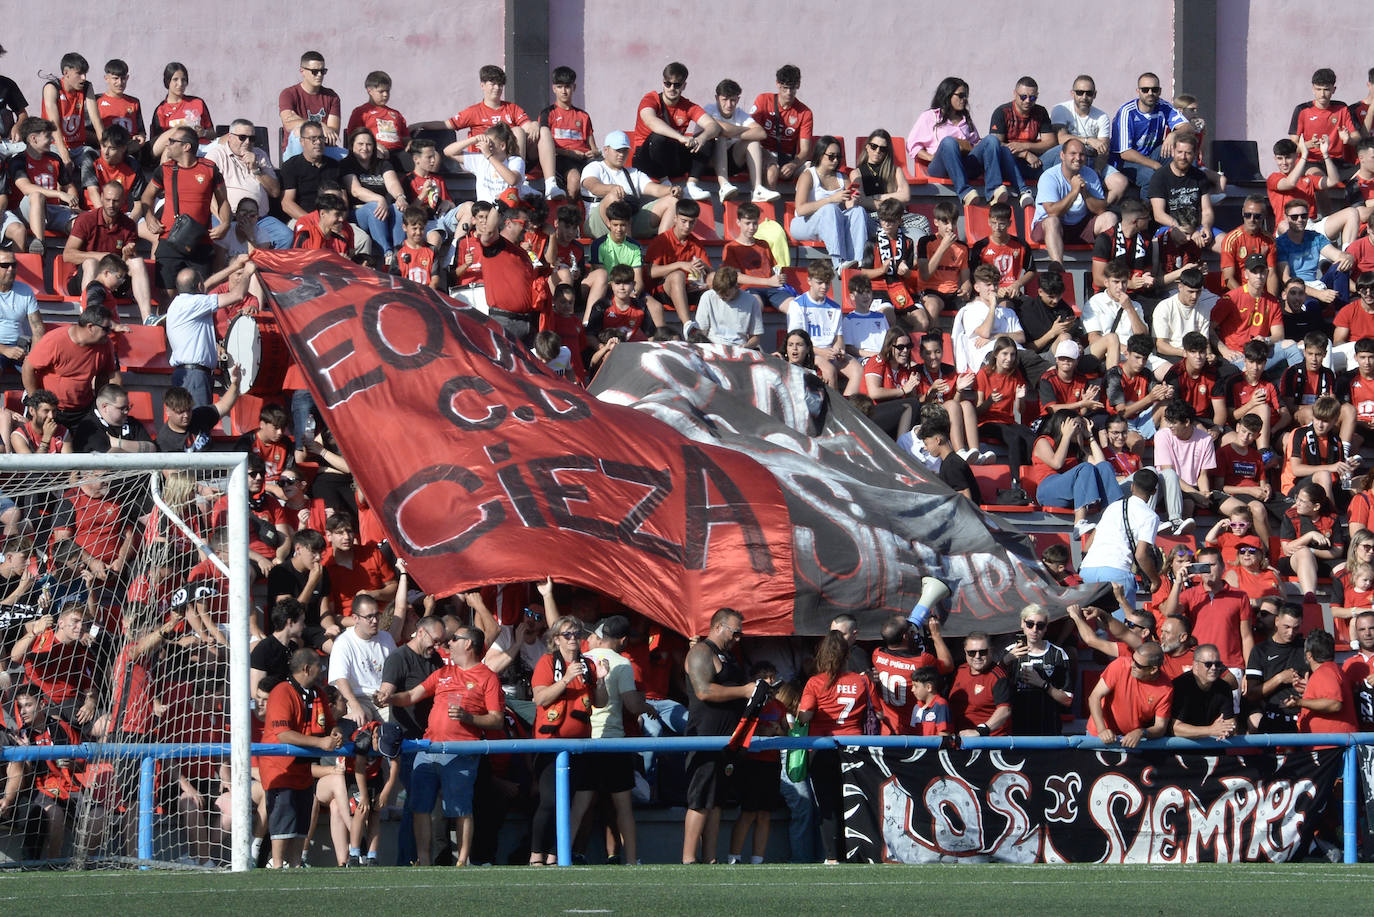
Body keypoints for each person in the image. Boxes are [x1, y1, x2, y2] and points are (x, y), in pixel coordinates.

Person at [379, 625, 501, 867]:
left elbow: (497, 719)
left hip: (461, 751)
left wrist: (469, 718)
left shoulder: (488, 677)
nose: (448, 643)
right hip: (429, 748)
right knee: (419, 806)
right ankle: (424, 861)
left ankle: (462, 861)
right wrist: (389, 698)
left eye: (454, 638)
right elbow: (412, 695)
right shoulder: (444, 672)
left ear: (468, 644)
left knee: (460, 808)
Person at [682, 608, 757, 865]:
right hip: (704, 735)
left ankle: (710, 858)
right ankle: (689, 858)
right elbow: (703, 691)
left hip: (726, 739)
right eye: (735, 633)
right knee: (700, 798)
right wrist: (744, 691)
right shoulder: (701, 652)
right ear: (718, 627)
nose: (738, 638)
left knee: (715, 801)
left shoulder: (728, 656)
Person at [529, 618, 607, 865]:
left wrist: (603, 679)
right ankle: (535, 855)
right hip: (551, 744)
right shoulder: (547, 662)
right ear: (556, 639)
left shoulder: (588, 665)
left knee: (575, 803)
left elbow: (601, 702)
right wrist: (565, 679)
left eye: (576, 634)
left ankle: (555, 855)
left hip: (579, 745)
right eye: (567, 635)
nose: (573, 638)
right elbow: (540, 699)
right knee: (550, 801)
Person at [259, 649, 342, 868]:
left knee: (302, 822)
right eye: (319, 666)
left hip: (303, 769)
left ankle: (295, 865)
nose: (322, 671)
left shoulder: (318, 693)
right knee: (283, 819)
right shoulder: (282, 692)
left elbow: (329, 723)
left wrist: (335, 732)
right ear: (306, 669)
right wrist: (320, 743)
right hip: (280, 769)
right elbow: (283, 734)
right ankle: (277, 864)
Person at [797, 631, 873, 865]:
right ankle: (859, 853)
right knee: (853, 801)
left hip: (822, 749)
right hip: (855, 748)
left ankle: (832, 856)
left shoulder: (815, 682)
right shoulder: (861, 681)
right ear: (847, 654)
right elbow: (877, 712)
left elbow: (805, 716)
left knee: (828, 805)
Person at [139, 127, 230, 294]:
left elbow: (223, 201)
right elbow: (146, 197)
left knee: (199, 294)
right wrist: (149, 216)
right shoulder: (164, 169)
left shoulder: (210, 169)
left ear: (186, 146)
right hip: (168, 239)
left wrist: (225, 224)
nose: (168, 144)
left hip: (199, 242)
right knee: (167, 294)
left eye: (173, 141)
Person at [907, 76, 1022, 206]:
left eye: (966, 96)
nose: (964, 99)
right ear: (948, 95)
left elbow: (975, 144)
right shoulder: (931, 117)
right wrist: (930, 157)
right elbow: (912, 145)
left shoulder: (965, 120)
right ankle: (965, 192)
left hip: (964, 165)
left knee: (990, 140)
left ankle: (994, 190)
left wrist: (978, 146)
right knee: (949, 142)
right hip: (941, 166)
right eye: (961, 95)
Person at [166, 256, 256, 406]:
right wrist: (247, 273)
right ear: (199, 286)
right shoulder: (195, 303)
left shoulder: (179, 303)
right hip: (195, 376)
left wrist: (234, 267)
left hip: (187, 373)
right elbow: (237, 296)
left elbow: (208, 284)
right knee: (200, 423)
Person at [629, 61, 721, 200]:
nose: (672, 88)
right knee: (658, 137)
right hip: (647, 158)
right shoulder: (651, 99)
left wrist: (702, 138)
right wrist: (680, 137)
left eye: (677, 85)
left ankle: (691, 186)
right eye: (668, 84)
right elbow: (651, 121)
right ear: (663, 83)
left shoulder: (688, 106)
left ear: (684, 86)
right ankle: (665, 183)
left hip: (671, 158)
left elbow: (713, 126)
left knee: (708, 139)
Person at [21, 304, 118, 429]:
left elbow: (104, 375)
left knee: (93, 446)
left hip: (83, 409)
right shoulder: (55, 340)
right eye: (106, 329)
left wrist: (100, 401)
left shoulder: (105, 344)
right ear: (91, 327)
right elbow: (28, 367)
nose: (109, 333)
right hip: (52, 410)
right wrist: (36, 401)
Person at [1027, 408, 1120, 537]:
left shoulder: (1075, 450)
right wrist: (1066, 436)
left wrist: (1090, 436)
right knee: (1085, 467)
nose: (1079, 430)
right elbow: (1057, 463)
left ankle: (1110, 515)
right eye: (1076, 426)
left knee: (1105, 466)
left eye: (1081, 426)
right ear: (1063, 426)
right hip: (1048, 490)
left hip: (1072, 494)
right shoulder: (1043, 441)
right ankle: (1079, 522)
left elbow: (1100, 464)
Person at [1080, 468, 1162, 606]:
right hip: (1117, 573)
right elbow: (1141, 555)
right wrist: (1155, 580)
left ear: (1132, 486)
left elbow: (1088, 546)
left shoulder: (1113, 507)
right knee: (1123, 626)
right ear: (1154, 492)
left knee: (1092, 624)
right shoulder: (1151, 516)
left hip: (1088, 570)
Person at [1033, 138, 1117, 267]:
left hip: (1080, 226)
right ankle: (1058, 270)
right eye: (1073, 153)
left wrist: (1084, 193)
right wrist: (1074, 191)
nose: (1078, 158)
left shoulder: (1090, 174)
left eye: (1082, 154)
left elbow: (1101, 209)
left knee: (1110, 218)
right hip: (1052, 228)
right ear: (1062, 155)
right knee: (1052, 221)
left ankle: (1109, 271)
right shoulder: (1049, 176)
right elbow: (1052, 212)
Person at [580, 131, 680, 240]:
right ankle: (628, 248)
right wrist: (612, 189)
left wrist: (672, 190)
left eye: (625, 151)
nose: (622, 155)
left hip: (630, 219)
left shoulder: (633, 173)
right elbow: (594, 186)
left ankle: (663, 247)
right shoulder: (594, 167)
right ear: (606, 150)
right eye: (618, 151)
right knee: (614, 197)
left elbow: (655, 190)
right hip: (599, 222)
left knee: (672, 201)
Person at [790, 135, 869, 269]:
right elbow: (800, 209)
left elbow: (848, 208)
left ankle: (859, 261)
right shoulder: (808, 175)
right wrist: (831, 199)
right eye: (831, 156)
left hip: (832, 224)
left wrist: (853, 201)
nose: (835, 160)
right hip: (805, 223)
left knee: (858, 211)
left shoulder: (842, 178)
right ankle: (839, 263)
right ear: (821, 155)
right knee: (830, 209)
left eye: (838, 157)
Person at [782, 260, 859, 393]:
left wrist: (839, 350)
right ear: (809, 281)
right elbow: (796, 341)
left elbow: (838, 337)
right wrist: (822, 352)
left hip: (830, 353)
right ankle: (833, 411)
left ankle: (847, 406)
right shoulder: (797, 305)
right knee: (829, 370)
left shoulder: (835, 307)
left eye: (827, 283)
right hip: (808, 353)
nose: (824, 287)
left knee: (857, 370)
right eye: (820, 282)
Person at [1109, 72, 1194, 192]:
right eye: (1145, 90)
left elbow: (1188, 128)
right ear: (1138, 91)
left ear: (1159, 91)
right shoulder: (1127, 112)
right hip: (1126, 162)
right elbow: (1125, 153)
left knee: (1183, 154)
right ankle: (1149, 209)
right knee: (1151, 177)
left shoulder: (1163, 106)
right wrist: (1154, 165)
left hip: (1152, 154)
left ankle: (1193, 196)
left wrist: (1173, 135)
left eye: (1154, 89)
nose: (1150, 93)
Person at [870, 613, 953, 735]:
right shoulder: (922, 660)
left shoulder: (877, 655)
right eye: (910, 629)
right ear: (905, 636)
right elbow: (948, 666)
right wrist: (936, 635)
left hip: (889, 730)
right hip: (917, 730)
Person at [1001, 604, 1074, 735]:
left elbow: (1067, 700)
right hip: (1016, 728)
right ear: (1022, 624)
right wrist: (1006, 661)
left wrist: (1042, 684)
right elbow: (991, 686)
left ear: (1046, 628)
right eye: (1030, 624)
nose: (1034, 630)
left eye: (1040, 626)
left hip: (1048, 727)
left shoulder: (1057, 654)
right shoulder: (1009, 653)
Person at [9, 116, 80, 252]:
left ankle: (73, 260)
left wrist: (74, 205)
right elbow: (25, 188)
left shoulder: (54, 159)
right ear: (33, 139)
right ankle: (39, 244)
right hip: (25, 211)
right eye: (48, 136)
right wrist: (60, 194)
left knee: (81, 224)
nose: (52, 140)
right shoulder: (18, 160)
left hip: (52, 210)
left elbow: (69, 186)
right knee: (36, 196)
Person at [1087, 642, 1173, 746]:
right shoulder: (1120, 665)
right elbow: (1094, 697)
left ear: (1153, 670)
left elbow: (1160, 727)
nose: (1132, 665)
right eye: (1133, 659)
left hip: (1131, 742)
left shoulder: (1166, 689)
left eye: (1138, 664)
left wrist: (1141, 732)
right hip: (1098, 736)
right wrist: (1102, 730)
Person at [1154, 399, 1215, 535]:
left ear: (1187, 422)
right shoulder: (1162, 436)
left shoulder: (1205, 439)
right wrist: (1196, 495)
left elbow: (1203, 474)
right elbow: (1168, 472)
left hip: (1192, 489)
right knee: (1188, 503)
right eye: (1168, 421)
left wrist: (1204, 493)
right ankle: (1179, 540)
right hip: (1166, 488)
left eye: (1174, 422)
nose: (1170, 426)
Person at [1243, 603, 1307, 734]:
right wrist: (1279, 678)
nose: (1291, 633)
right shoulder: (1260, 650)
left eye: (1296, 628)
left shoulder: (1307, 648)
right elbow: (1252, 694)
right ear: (1277, 621)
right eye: (1287, 627)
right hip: (1273, 717)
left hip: (1303, 717)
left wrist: (1309, 687)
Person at [1147, 133, 1218, 250]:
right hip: (1170, 227)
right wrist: (1187, 230)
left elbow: (1207, 210)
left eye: (1188, 153)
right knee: (1180, 237)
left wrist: (1206, 226)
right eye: (1179, 152)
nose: (1183, 157)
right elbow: (1158, 215)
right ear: (1173, 152)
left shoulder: (1200, 177)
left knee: (1226, 243)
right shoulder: (1160, 177)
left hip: (1197, 227)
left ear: (1195, 154)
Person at [988, 75, 1053, 203]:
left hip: (1034, 163)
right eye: (1023, 96)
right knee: (1004, 151)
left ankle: (1061, 190)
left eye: (1032, 97)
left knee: (1062, 149)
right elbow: (996, 145)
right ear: (1014, 94)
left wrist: (1025, 146)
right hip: (1009, 164)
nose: (1028, 100)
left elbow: (1050, 142)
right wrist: (1024, 154)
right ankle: (1023, 191)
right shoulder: (1002, 112)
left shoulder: (1040, 112)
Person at [705, 78, 769, 204]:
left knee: (753, 141)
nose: (729, 105)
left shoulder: (740, 114)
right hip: (708, 161)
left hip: (732, 161)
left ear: (738, 99)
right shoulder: (709, 110)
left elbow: (761, 133)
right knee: (721, 137)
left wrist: (733, 132)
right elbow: (719, 129)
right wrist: (742, 130)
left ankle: (758, 189)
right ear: (717, 98)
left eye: (733, 100)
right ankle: (723, 185)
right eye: (724, 100)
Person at [536, 66, 595, 201]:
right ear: (554, 88)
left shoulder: (583, 115)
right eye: (560, 86)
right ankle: (569, 217)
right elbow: (544, 147)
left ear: (574, 87)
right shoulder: (548, 113)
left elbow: (594, 148)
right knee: (574, 179)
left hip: (586, 160)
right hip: (562, 160)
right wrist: (569, 153)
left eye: (567, 87)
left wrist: (593, 153)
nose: (564, 91)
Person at [278, 51, 342, 160]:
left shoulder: (332, 96)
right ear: (302, 71)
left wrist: (299, 120)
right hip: (297, 150)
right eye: (315, 71)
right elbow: (289, 124)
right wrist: (320, 125)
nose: (319, 75)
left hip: (324, 149)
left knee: (350, 159)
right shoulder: (288, 94)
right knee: (298, 131)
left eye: (323, 71)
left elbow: (332, 134)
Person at [1293, 629, 1358, 734]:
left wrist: (1299, 702)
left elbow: (1334, 704)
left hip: (1332, 745)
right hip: (1332, 743)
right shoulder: (1331, 670)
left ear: (1309, 655)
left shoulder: (1325, 671)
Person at [947, 632, 1011, 737]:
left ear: (991, 651)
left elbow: (1004, 710)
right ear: (965, 652)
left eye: (983, 652)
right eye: (972, 652)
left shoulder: (998, 676)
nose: (977, 656)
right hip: (960, 741)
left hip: (990, 742)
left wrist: (980, 731)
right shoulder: (959, 671)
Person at [1169, 643, 1238, 738]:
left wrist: (1227, 730)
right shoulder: (1180, 686)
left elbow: (1230, 723)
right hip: (1183, 749)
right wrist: (1211, 730)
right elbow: (1176, 729)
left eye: (1218, 664)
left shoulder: (1224, 688)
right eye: (1208, 664)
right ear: (1195, 665)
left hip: (1216, 747)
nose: (1214, 668)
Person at [149, 62, 214, 159]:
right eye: (175, 79)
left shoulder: (198, 103)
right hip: (177, 153)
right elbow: (158, 144)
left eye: (183, 80)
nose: (180, 84)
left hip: (203, 149)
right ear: (167, 82)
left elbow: (212, 133)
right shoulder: (161, 110)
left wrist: (203, 133)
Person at [693, 265, 762, 349]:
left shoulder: (751, 301)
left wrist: (746, 346)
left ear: (736, 287)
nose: (722, 297)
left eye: (726, 294)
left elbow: (755, 337)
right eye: (718, 294)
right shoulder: (708, 296)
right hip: (712, 346)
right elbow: (701, 331)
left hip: (739, 347)